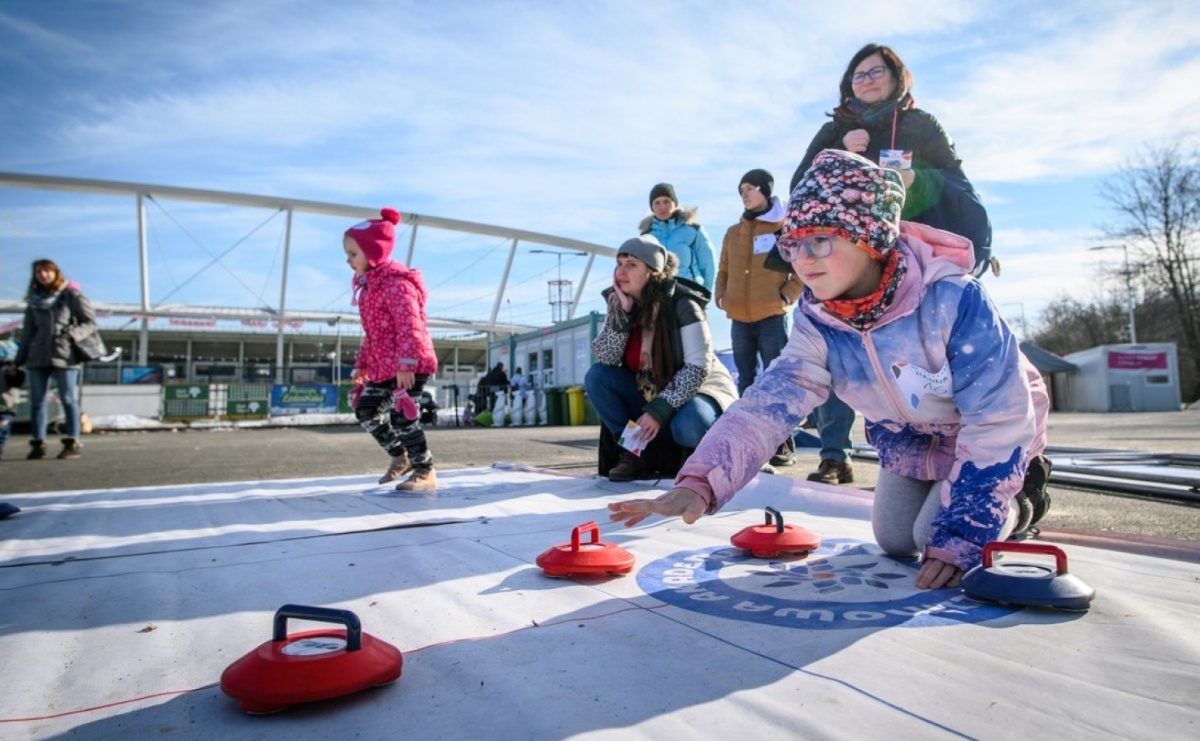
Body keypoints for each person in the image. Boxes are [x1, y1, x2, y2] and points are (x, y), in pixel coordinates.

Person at [608, 150, 1050, 590]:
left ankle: (1023, 492)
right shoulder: (819, 318)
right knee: (896, 540)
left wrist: (962, 538)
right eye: (793, 244)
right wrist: (701, 483)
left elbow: (998, 420)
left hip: (995, 432)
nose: (803, 259)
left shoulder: (952, 299)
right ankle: (954, 493)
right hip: (911, 435)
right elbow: (767, 406)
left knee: (936, 537)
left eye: (820, 239)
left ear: (870, 236)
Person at [787, 43, 992, 487]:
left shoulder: (920, 125)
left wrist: (920, 180)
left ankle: (964, 454)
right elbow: (800, 185)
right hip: (852, 262)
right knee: (840, 353)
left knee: (930, 359)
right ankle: (834, 453)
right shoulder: (836, 130)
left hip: (915, 262)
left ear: (897, 77)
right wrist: (841, 149)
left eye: (875, 71)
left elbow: (960, 184)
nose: (867, 80)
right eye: (858, 75)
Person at [584, 235, 737, 482]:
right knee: (598, 377)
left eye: (631, 264)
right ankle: (633, 453)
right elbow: (607, 358)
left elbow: (698, 367)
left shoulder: (684, 304)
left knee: (690, 424)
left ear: (652, 272)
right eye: (619, 263)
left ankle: (694, 461)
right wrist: (622, 318)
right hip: (650, 392)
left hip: (701, 390)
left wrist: (659, 410)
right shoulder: (618, 304)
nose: (621, 271)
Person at [344, 208, 440, 491]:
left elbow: (410, 325)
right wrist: (363, 363)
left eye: (353, 253)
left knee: (402, 417)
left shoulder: (397, 284)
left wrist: (406, 364)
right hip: (383, 366)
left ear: (373, 251)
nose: (348, 260)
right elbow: (372, 334)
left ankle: (426, 469)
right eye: (348, 254)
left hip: (409, 364)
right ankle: (401, 457)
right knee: (366, 410)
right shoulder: (368, 288)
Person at [715, 168, 804, 467]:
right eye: (741, 190)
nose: (745, 194)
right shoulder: (732, 233)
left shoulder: (783, 227)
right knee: (747, 382)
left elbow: (801, 268)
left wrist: (786, 296)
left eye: (750, 188)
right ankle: (752, 441)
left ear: (765, 190)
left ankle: (783, 444)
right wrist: (721, 296)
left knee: (777, 380)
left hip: (771, 316)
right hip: (739, 317)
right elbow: (723, 270)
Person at [13, 259, 97, 460]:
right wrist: (18, 361)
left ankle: (72, 441)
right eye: (39, 272)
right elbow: (27, 333)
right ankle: (38, 442)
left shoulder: (70, 295)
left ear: (55, 273)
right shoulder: (34, 301)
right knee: (38, 401)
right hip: (37, 355)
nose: (43, 275)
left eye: (47, 271)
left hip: (65, 355)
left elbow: (90, 322)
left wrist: (70, 336)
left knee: (68, 399)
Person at [640, 183, 717, 290]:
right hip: (658, 294)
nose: (662, 207)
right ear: (652, 207)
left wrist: (706, 291)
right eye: (657, 203)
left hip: (688, 291)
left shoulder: (693, 230)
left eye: (666, 201)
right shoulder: (646, 237)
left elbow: (708, 264)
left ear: (674, 203)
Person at [0, 339, 24, 461]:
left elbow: (18, 382)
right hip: (7, 405)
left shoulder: (10, 371)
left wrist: (14, 372)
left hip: (6, 406)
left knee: (3, 429)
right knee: (3, 429)